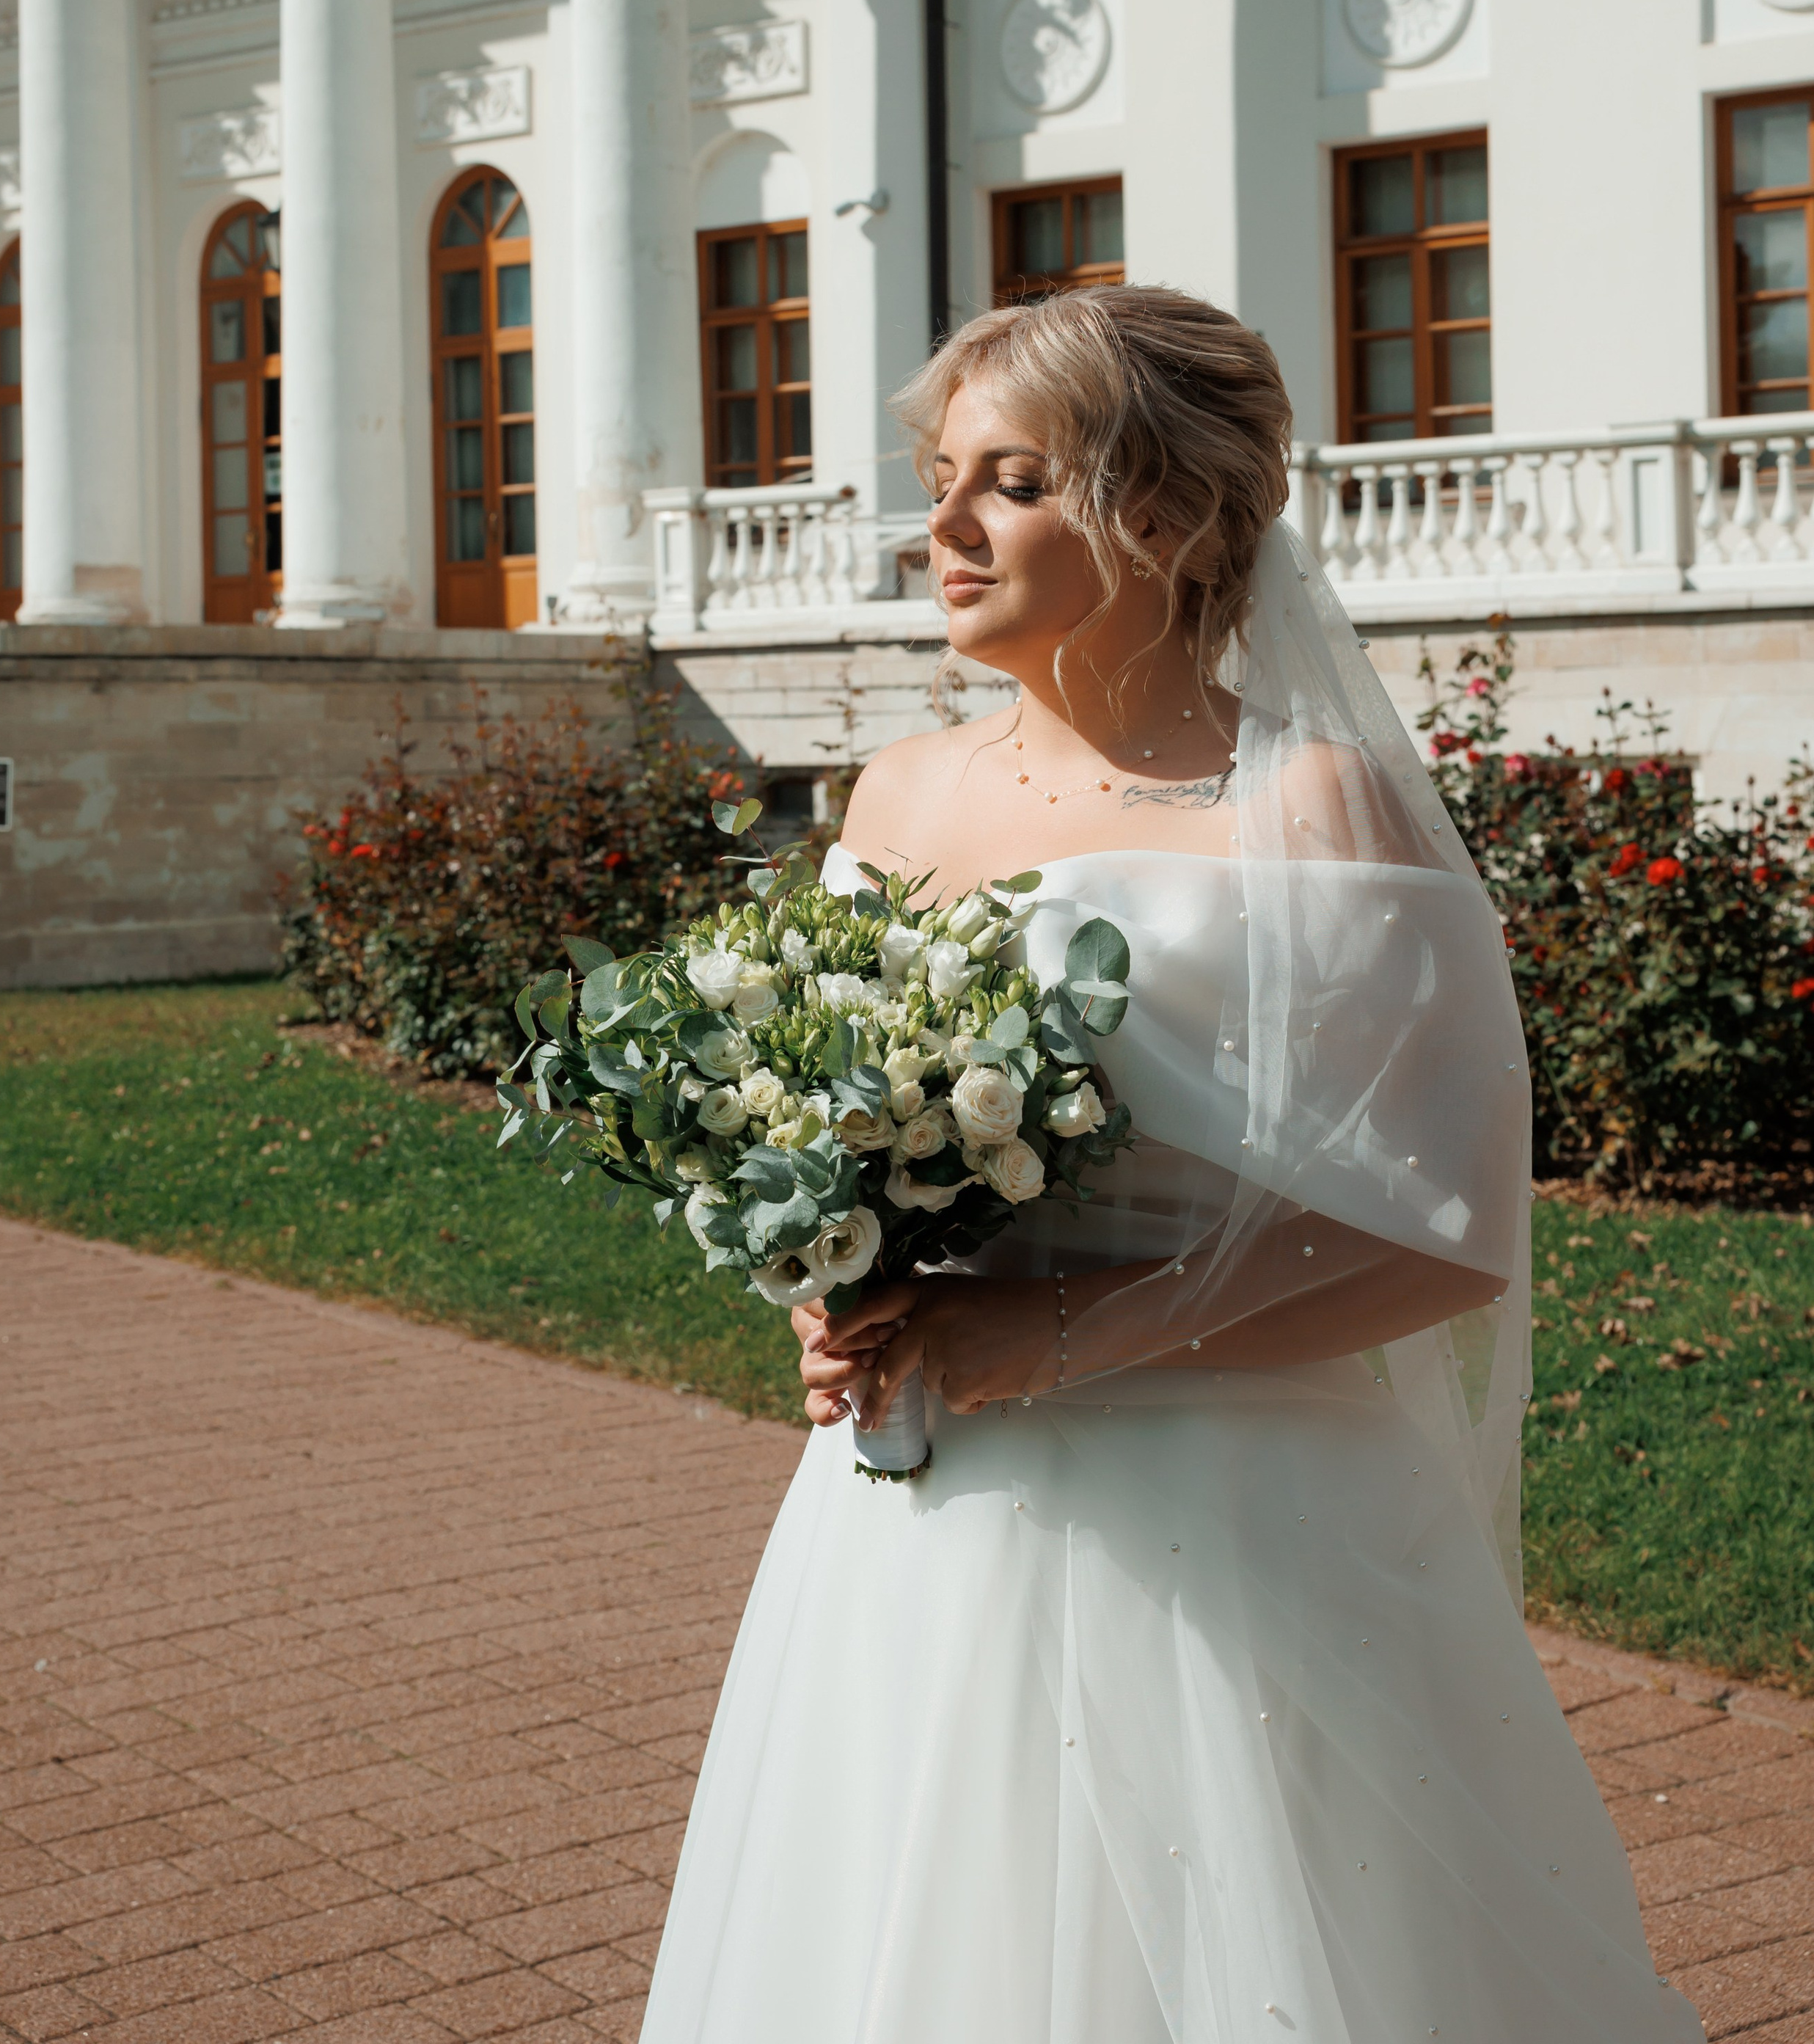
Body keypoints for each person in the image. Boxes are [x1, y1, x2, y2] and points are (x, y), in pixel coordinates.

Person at [639, 286, 1703, 2044]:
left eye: (1013, 483)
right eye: (940, 479)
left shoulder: (1307, 809)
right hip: (918, 1516)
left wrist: (1051, 1336)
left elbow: (1442, 1238)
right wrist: (831, 1293)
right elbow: (830, 1124)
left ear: (1176, 519)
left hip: (1237, 1519)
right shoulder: (892, 797)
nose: (945, 527)